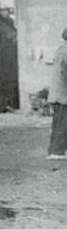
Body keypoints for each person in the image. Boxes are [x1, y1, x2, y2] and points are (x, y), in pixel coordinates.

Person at [47, 27, 67, 160]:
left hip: (58, 93)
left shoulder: (61, 49)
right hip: (63, 94)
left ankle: (57, 151)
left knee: (60, 123)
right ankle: (57, 152)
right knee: (62, 124)